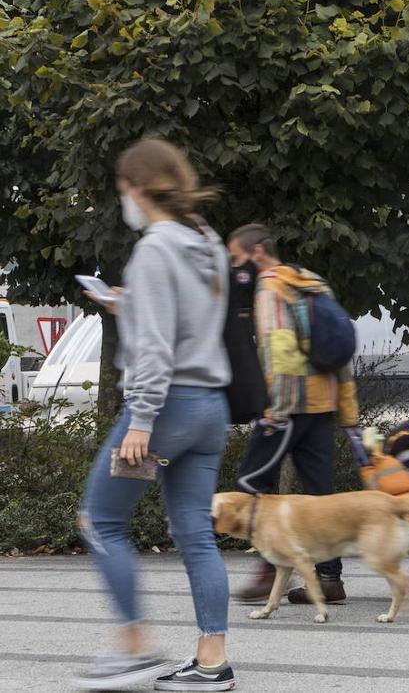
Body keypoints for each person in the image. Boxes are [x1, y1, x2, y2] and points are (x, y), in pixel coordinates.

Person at [74, 139, 237, 691]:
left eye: (124, 190)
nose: (125, 200)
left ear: (140, 188)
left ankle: (135, 645)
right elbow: (191, 319)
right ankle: (212, 662)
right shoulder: (207, 241)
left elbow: (156, 352)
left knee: (99, 520)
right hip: (209, 407)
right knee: (195, 533)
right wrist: (132, 303)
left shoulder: (153, 250)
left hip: (164, 410)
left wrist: (140, 422)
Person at [228, 223, 359, 605]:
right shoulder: (310, 280)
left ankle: (272, 567)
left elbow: (280, 352)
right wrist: (348, 410)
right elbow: (342, 351)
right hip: (322, 403)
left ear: (254, 255)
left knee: (252, 484)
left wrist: (275, 412)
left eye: (235, 258)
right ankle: (330, 580)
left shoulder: (271, 288)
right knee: (321, 497)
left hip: (289, 406)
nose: (233, 267)